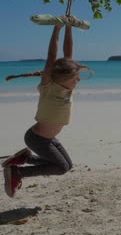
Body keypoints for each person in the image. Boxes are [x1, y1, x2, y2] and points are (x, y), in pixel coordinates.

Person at [3, 16, 92, 198]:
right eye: (75, 78)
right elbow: (52, 56)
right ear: (62, 78)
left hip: (50, 139)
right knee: (60, 168)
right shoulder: (49, 86)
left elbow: (68, 55)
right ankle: (16, 172)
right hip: (37, 139)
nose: (78, 81)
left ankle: (24, 158)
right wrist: (57, 29)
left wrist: (69, 27)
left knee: (67, 166)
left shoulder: (67, 88)